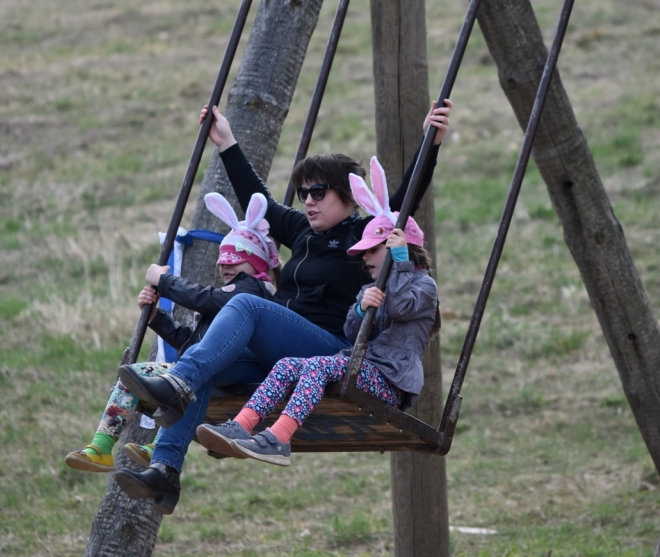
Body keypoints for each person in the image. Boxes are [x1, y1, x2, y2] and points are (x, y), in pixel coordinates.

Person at [115, 99, 452, 512]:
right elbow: (259, 199)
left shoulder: (363, 233)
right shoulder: (301, 231)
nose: (308, 201)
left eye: (318, 192)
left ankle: (180, 380)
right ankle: (165, 471)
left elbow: (404, 200)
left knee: (248, 305)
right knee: (207, 360)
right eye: (303, 192)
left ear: (348, 196)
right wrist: (227, 143)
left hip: (330, 349)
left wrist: (429, 144)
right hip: (282, 353)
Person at [197, 158, 438, 466]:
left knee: (318, 368)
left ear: (401, 248)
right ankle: (240, 426)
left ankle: (277, 439)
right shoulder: (369, 289)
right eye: (363, 254)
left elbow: (403, 304)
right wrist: (362, 311)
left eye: (374, 250)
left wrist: (400, 259)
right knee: (286, 366)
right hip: (360, 365)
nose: (366, 260)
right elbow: (353, 333)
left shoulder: (422, 286)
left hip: (390, 379)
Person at [64, 192, 279, 477]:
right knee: (138, 374)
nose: (226, 266)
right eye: (223, 260)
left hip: (238, 372)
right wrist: (157, 319)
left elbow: (204, 299)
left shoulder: (254, 292)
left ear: (258, 264)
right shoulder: (229, 299)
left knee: (155, 375)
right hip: (208, 367)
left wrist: (163, 280)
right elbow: (192, 343)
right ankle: (109, 447)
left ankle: (138, 446)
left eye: (236, 259)